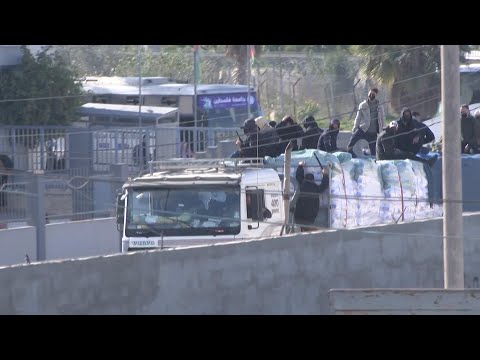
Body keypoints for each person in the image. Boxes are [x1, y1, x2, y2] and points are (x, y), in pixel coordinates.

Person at [347, 88, 385, 157]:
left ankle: (372, 162)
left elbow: (382, 119)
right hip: (363, 129)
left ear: (376, 95)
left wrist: (382, 131)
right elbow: (358, 118)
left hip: (373, 132)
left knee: (374, 152)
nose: (371, 95)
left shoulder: (380, 106)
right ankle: (352, 156)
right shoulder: (363, 105)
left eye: (373, 94)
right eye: (370, 94)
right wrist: (355, 127)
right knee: (350, 144)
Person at [294, 161, 329, 232]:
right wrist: (325, 175)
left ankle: (302, 231)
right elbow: (324, 185)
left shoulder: (301, 185)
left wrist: (300, 166)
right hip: (310, 216)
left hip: (299, 214)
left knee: (300, 226)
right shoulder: (316, 188)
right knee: (307, 227)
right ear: (313, 180)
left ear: (305, 179)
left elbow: (298, 176)